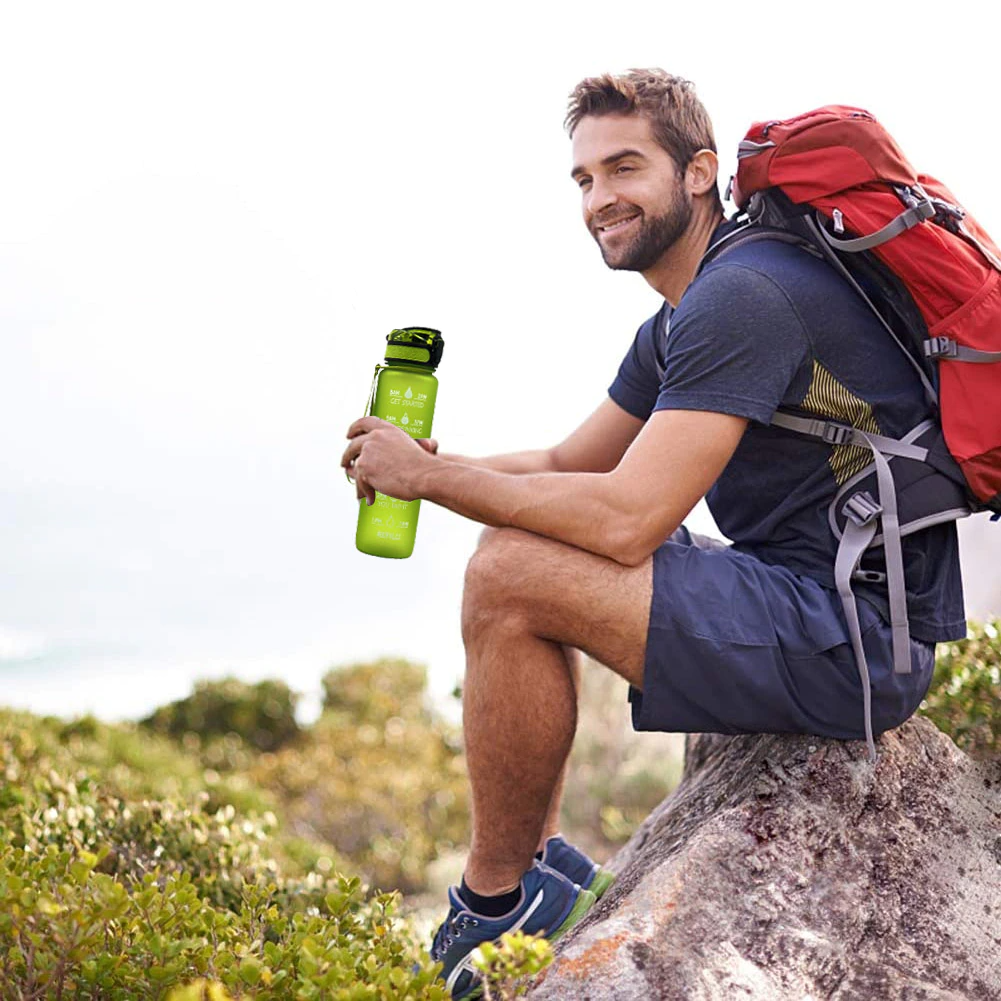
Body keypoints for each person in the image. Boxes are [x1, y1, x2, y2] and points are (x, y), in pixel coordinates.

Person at [341, 69, 965, 998]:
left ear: (699, 171)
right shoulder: (682, 314)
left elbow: (629, 518)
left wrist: (430, 480)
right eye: (584, 179)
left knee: (511, 572)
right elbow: (566, 466)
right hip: (807, 601)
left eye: (624, 168)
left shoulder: (744, 294)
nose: (600, 199)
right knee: (511, 562)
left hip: (856, 641)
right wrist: (421, 463)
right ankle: (535, 876)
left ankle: (494, 897)